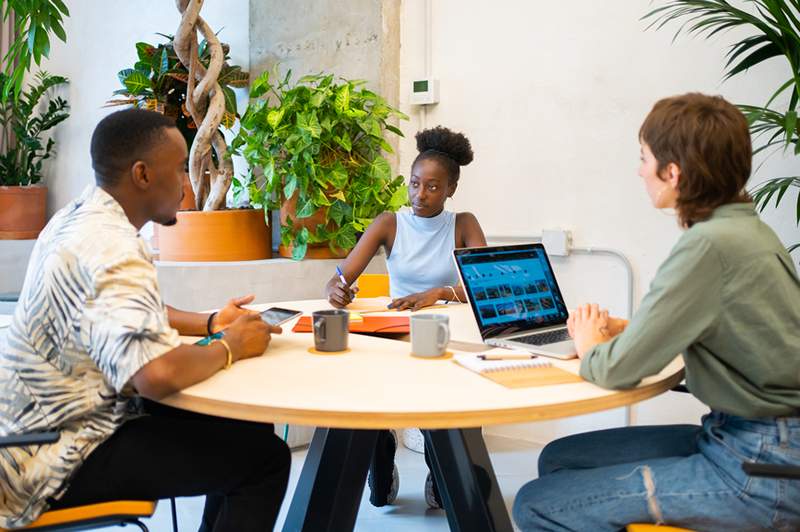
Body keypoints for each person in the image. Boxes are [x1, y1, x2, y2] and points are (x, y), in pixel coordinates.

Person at [512, 93, 800, 531]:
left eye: (644, 158)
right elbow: (730, 332)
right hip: (757, 442)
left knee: (536, 503)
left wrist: (589, 343)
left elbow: (617, 370)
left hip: (757, 468)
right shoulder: (746, 229)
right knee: (560, 457)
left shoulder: (708, 246)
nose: (639, 171)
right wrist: (629, 329)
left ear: (673, 172)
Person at [0, 109, 291, 531]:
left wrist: (211, 322)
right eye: (178, 169)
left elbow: (123, 312)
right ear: (142, 174)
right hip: (50, 460)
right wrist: (230, 344)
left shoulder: (77, 218)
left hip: (23, 439)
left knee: (246, 422)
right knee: (265, 461)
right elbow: (154, 376)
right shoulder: (113, 247)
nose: (186, 185)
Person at [324, 126, 487, 509]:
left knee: (445, 411)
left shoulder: (463, 224)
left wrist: (438, 294)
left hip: (448, 338)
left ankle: (441, 471)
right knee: (366, 399)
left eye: (432, 186)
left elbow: (484, 286)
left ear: (451, 189)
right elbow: (339, 278)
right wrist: (337, 289)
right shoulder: (389, 223)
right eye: (415, 184)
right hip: (396, 336)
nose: (420, 195)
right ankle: (379, 464)